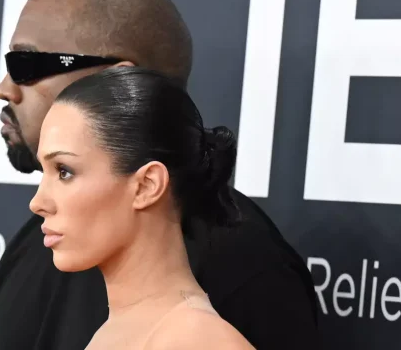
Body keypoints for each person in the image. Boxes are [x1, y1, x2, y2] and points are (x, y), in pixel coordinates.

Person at [0, 0, 319, 350]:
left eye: (26, 65)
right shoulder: (37, 245)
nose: (4, 88)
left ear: (117, 82)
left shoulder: (245, 271)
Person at [30, 66, 255, 349]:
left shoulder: (197, 339)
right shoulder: (117, 331)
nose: (37, 203)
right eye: (45, 171)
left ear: (147, 185)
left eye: (64, 171)